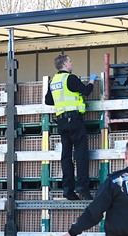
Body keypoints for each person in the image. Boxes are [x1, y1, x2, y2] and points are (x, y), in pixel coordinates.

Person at [45, 54, 98, 200]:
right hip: (74, 120)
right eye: (70, 61)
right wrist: (92, 81)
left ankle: (68, 189)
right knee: (81, 154)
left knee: (66, 156)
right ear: (65, 64)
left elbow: (48, 101)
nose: (71, 63)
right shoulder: (71, 78)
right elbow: (86, 91)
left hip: (61, 121)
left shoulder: (53, 81)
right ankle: (83, 188)